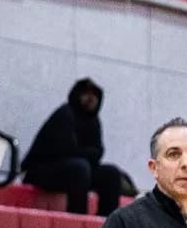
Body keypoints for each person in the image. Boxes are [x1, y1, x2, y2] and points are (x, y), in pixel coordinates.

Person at [21, 78, 125, 217]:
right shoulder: (65, 114)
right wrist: (87, 154)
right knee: (80, 168)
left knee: (111, 173)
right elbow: (64, 150)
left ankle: (107, 224)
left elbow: (98, 152)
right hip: (41, 171)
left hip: (76, 172)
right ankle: (78, 218)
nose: (91, 98)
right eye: (86, 94)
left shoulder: (93, 121)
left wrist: (83, 153)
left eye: (94, 95)